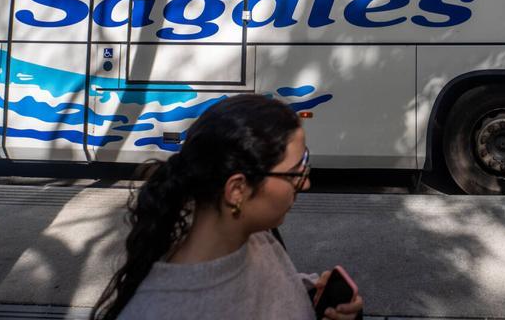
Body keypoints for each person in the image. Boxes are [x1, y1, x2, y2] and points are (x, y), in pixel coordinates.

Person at [91, 94, 364, 320]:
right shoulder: (162, 310)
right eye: (296, 172)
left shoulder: (258, 238)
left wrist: (313, 298)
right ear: (237, 191)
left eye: (306, 162)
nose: (305, 184)